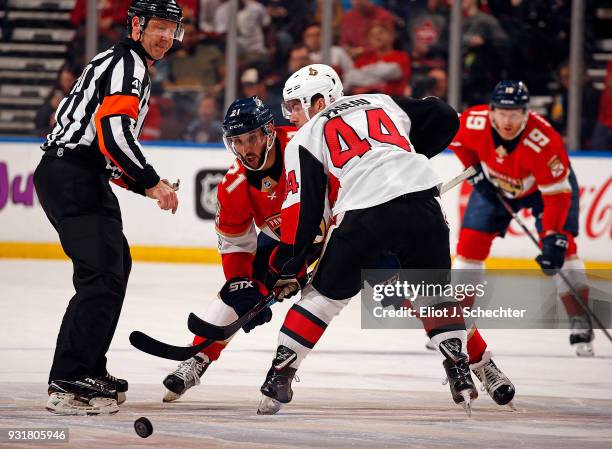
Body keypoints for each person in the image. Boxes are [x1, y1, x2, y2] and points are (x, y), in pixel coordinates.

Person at [257, 64, 478, 415]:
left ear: (319, 101)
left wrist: (290, 265)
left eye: (297, 105)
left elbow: (303, 211)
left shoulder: (305, 136)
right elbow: (444, 115)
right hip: (424, 205)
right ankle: (459, 371)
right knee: (434, 295)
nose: (293, 115)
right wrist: (404, 152)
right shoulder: (380, 101)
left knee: (322, 298)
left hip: (364, 214)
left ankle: (279, 376)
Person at [33, 0, 182, 415]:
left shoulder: (122, 62)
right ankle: (69, 379)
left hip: (79, 175)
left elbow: (107, 150)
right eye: (159, 27)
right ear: (135, 25)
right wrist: (151, 181)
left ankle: (88, 367)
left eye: (172, 29)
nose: (166, 37)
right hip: (72, 175)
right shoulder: (127, 65)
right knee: (101, 273)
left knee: (116, 265)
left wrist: (146, 185)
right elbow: (112, 135)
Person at [162, 97, 327, 401]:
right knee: (235, 292)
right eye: (238, 141)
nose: (246, 148)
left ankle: (444, 336)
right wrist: (245, 289)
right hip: (285, 244)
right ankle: (197, 358)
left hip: (340, 230)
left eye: (252, 138)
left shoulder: (305, 143)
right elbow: (236, 244)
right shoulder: (234, 185)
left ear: (268, 132)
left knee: (402, 273)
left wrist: (302, 266)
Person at [450, 81, 594, 361]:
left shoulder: (545, 142)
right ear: (491, 112)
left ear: (526, 113)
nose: (508, 120)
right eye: (502, 113)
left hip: (543, 192)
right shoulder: (474, 122)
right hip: (494, 184)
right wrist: (475, 170)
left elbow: (557, 196)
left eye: (515, 113)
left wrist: (553, 235)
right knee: (469, 245)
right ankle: (457, 325)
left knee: (563, 249)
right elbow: (455, 140)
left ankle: (580, 320)